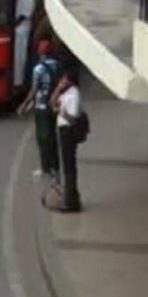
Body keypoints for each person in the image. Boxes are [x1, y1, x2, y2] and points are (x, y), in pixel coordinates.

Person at [19, 41, 60, 181]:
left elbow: (34, 89)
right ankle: (56, 167)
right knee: (53, 137)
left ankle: (45, 168)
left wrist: (25, 104)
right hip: (54, 106)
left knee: (43, 138)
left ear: (40, 53)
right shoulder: (57, 65)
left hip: (41, 106)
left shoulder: (38, 69)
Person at [51, 68, 83, 212]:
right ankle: (69, 196)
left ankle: (71, 201)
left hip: (68, 131)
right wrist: (58, 89)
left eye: (64, 79)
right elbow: (52, 102)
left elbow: (73, 118)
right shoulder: (66, 93)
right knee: (66, 165)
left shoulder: (75, 94)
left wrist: (62, 112)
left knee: (69, 166)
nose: (61, 81)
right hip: (62, 130)